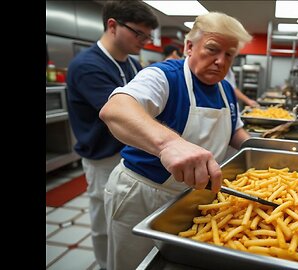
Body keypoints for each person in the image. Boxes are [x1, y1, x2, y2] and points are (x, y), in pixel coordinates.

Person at [99, 12, 252, 270]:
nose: (220, 61)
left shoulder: (225, 89)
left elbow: (236, 132)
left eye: (229, 55)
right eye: (213, 49)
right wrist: (169, 144)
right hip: (144, 194)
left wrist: (261, 149)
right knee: (132, 264)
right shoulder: (163, 76)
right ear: (189, 47)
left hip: (193, 198)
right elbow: (115, 110)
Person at [65, 1, 158, 269]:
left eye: (147, 36)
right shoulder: (87, 65)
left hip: (127, 154)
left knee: (121, 218)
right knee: (103, 223)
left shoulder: (131, 64)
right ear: (113, 25)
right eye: (138, 34)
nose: (144, 41)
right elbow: (120, 115)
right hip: (103, 158)